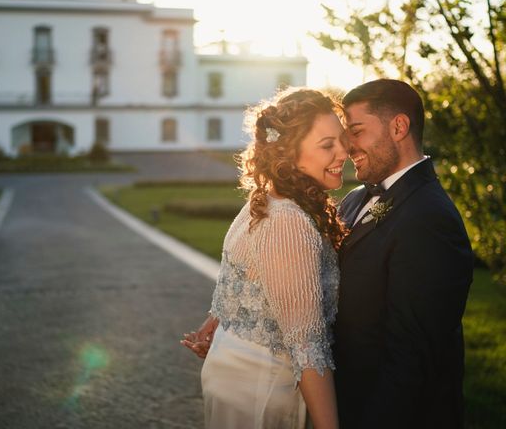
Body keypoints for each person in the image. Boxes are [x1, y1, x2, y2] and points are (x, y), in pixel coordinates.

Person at [181, 88, 349, 429]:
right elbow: (308, 346)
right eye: (327, 145)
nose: (344, 152)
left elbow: (243, 280)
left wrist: (214, 326)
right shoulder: (287, 221)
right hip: (266, 389)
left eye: (343, 140)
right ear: (290, 153)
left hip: (236, 373)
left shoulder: (262, 201)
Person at [335, 79, 474, 428]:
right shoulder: (355, 199)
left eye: (356, 131)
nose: (346, 145)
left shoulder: (430, 217)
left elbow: (412, 358)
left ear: (399, 127)